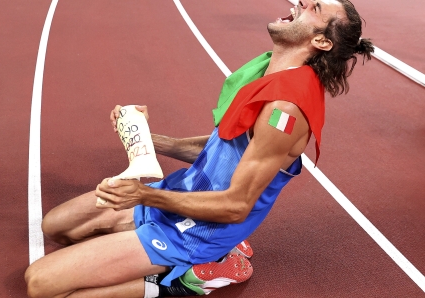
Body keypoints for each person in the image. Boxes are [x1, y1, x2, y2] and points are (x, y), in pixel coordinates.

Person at [25, 0, 374, 297]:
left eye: (314, 8)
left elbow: (236, 206)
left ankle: (181, 281)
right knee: (56, 227)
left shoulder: (285, 110)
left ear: (320, 41)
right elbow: (217, 150)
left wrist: (144, 196)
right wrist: (142, 136)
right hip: (182, 194)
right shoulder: (263, 74)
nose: (300, 3)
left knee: (40, 283)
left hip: (201, 230)